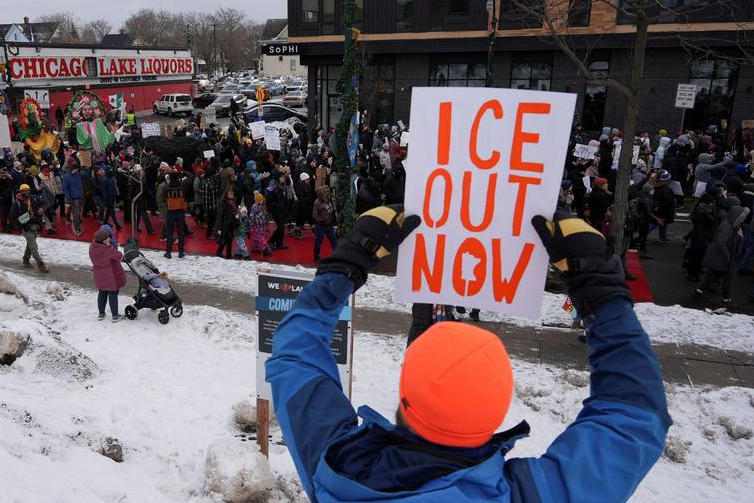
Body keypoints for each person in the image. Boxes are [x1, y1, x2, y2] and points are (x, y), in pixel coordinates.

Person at [266, 207, 670, 502]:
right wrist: (600, 291)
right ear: (497, 415)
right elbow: (633, 414)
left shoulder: (336, 464)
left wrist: (347, 264)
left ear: (404, 393)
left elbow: (295, 354)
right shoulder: (536, 494)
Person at [694, 196, 749, 305]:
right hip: (722, 258)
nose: (743, 219)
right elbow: (721, 242)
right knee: (727, 278)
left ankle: (698, 291)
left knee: (713, 275)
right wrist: (727, 256)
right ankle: (726, 299)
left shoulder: (729, 223)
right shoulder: (729, 228)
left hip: (717, 256)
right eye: (742, 217)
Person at [89, 226, 126, 321]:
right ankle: (115, 316)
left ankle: (101, 314)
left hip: (99, 275)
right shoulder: (108, 249)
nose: (109, 238)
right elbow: (119, 256)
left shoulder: (92, 247)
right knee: (113, 294)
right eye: (107, 238)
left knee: (102, 293)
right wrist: (110, 245)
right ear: (104, 240)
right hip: (111, 277)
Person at [11, 184, 48, 273]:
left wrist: (42, 208)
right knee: (34, 246)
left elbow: (44, 203)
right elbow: (13, 215)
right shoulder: (17, 202)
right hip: (25, 227)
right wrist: (19, 225)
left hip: (35, 226)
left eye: (27, 190)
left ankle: (25, 260)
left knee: (30, 245)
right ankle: (41, 265)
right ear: (21, 191)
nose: (26, 192)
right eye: (24, 191)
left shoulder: (34, 198)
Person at [164, 173, 188, 259]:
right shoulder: (182, 187)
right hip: (180, 211)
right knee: (180, 232)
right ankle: (181, 252)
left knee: (170, 232)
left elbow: (164, 199)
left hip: (171, 211)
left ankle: (168, 252)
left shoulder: (167, 188)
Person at [311, 186, 337, 263]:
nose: (327, 194)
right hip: (321, 226)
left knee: (334, 241)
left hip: (329, 225)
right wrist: (322, 220)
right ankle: (316, 256)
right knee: (318, 242)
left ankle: (337, 255)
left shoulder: (328, 200)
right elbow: (314, 214)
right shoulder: (317, 203)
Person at [62, 163, 85, 236]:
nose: (78, 170)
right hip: (73, 198)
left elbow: (85, 176)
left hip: (80, 197)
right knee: (76, 214)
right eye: (77, 169)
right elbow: (64, 188)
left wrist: (89, 168)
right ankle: (76, 229)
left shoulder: (78, 175)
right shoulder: (66, 177)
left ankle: (70, 219)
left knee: (77, 212)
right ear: (73, 168)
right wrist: (68, 197)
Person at [214, 191, 238, 259]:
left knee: (226, 240)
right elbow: (219, 216)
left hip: (230, 224)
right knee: (229, 239)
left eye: (232, 194)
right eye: (230, 194)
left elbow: (234, 214)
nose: (232, 195)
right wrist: (219, 228)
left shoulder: (233, 203)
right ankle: (229, 255)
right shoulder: (222, 204)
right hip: (225, 225)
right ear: (226, 195)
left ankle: (219, 252)